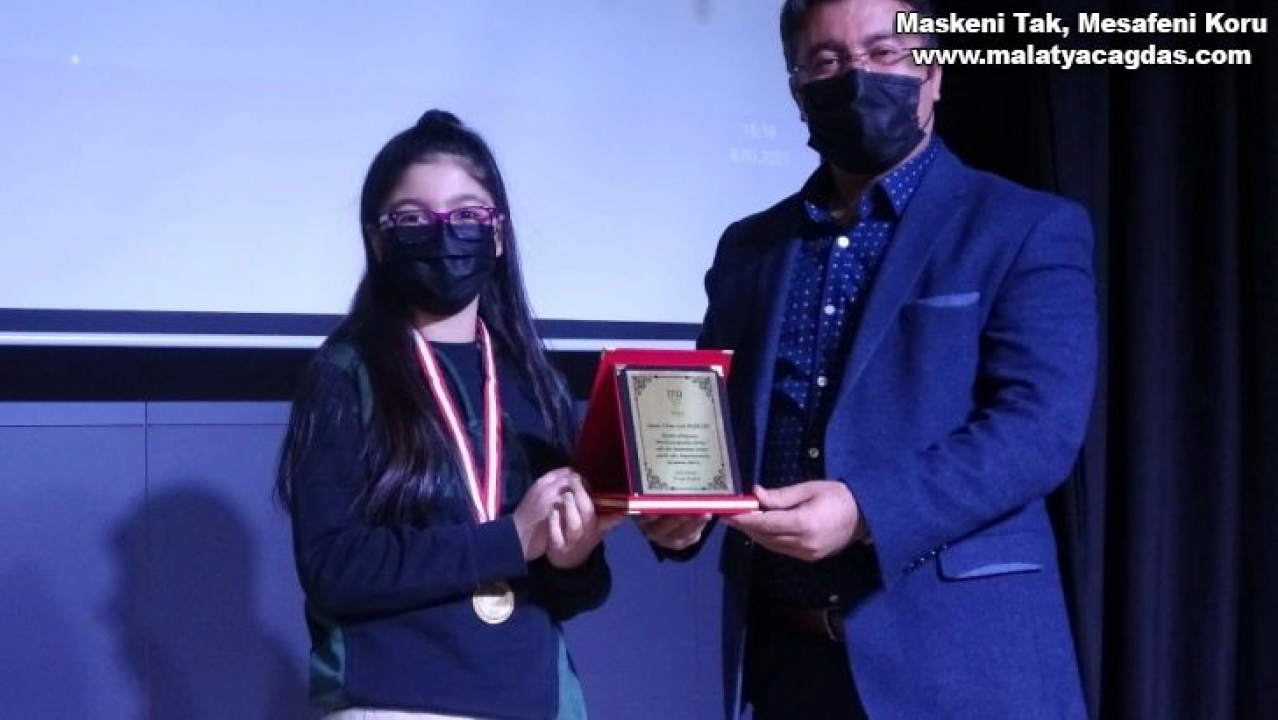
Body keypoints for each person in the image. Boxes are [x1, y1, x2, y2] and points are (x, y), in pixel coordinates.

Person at [639, 1, 1098, 718]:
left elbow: (1037, 432)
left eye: (885, 54)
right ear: (796, 89)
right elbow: (709, 421)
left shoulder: (1024, 226)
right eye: (826, 62)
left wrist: (865, 510)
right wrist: (681, 506)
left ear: (934, 72)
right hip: (787, 666)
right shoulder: (748, 247)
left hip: (964, 667)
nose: (856, 79)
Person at [275, 110, 620, 720]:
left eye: (466, 215)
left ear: (498, 234)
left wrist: (573, 558)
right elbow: (333, 567)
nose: (443, 234)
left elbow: (570, 591)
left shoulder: (532, 380)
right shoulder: (346, 372)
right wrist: (508, 540)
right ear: (378, 240)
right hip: (394, 703)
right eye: (413, 219)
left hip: (537, 701)